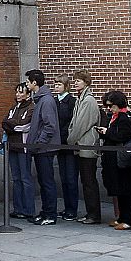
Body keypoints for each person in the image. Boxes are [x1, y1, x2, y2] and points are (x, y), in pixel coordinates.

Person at [25, 70, 61, 224]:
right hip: (41, 147)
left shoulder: (46, 101)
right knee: (43, 181)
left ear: (35, 83)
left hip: (45, 148)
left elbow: (49, 125)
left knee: (47, 182)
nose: (27, 84)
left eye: (28, 82)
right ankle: (46, 211)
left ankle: (50, 214)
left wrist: (39, 142)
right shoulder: (41, 99)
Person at [100, 90, 131, 229]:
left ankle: (129, 219)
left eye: (111, 106)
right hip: (115, 158)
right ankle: (122, 217)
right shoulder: (116, 116)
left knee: (125, 189)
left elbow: (123, 135)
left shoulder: (124, 116)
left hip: (122, 160)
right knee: (119, 189)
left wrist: (107, 132)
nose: (109, 109)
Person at [70, 72, 103, 225]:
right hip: (80, 145)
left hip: (87, 145)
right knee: (86, 180)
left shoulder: (88, 101)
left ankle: (94, 214)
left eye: (79, 81)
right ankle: (91, 212)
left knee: (89, 181)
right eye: (75, 81)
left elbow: (81, 124)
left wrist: (70, 139)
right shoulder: (80, 100)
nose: (76, 83)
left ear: (86, 82)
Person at [2, 82, 35, 220]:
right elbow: (5, 122)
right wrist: (12, 125)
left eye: (21, 92)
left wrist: (13, 124)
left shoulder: (31, 107)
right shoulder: (14, 107)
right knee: (15, 178)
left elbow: (24, 125)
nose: (18, 95)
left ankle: (28, 209)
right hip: (12, 145)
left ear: (28, 94)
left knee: (25, 178)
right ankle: (18, 208)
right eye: (17, 92)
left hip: (23, 146)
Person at [54, 77, 80, 221]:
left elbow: (71, 121)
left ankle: (72, 208)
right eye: (55, 84)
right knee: (63, 178)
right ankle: (67, 207)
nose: (56, 87)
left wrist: (64, 136)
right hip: (59, 144)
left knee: (71, 178)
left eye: (59, 84)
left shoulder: (71, 101)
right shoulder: (54, 101)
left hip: (68, 143)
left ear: (66, 86)